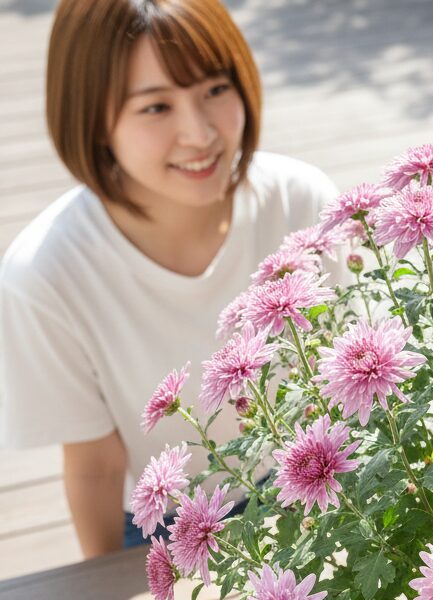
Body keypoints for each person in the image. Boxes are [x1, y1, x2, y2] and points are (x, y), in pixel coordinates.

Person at [0, 0, 342, 558]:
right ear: (91, 118)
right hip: (171, 527)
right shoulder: (44, 274)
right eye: (156, 106)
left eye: (214, 89)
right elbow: (95, 465)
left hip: (325, 483)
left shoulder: (301, 201)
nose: (199, 133)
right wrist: (101, 593)